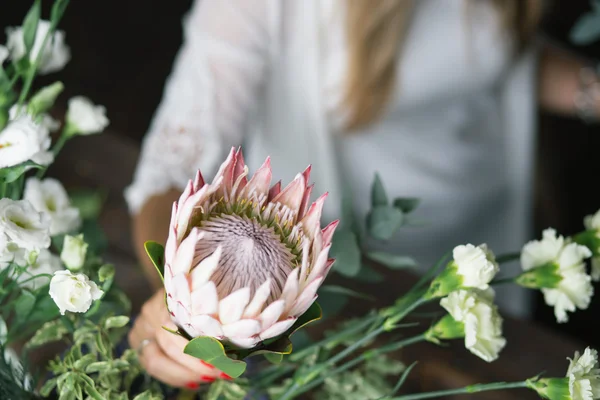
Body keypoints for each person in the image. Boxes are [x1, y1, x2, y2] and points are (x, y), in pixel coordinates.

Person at [125, 0, 599, 389]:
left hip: (485, 235)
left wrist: (589, 90)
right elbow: (170, 170)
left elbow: (484, 47)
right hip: (335, 284)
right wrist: (180, 307)